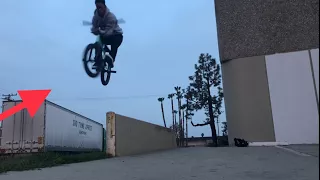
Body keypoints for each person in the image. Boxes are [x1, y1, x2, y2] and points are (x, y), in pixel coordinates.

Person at [91, 0, 123, 68]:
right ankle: (98, 61)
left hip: (116, 35)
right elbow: (94, 28)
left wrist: (100, 31)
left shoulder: (111, 17)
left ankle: (111, 59)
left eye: (100, 7)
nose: (99, 9)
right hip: (104, 35)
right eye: (97, 7)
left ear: (104, 6)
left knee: (114, 43)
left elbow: (109, 32)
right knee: (98, 42)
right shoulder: (95, 17)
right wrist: (95, 30)